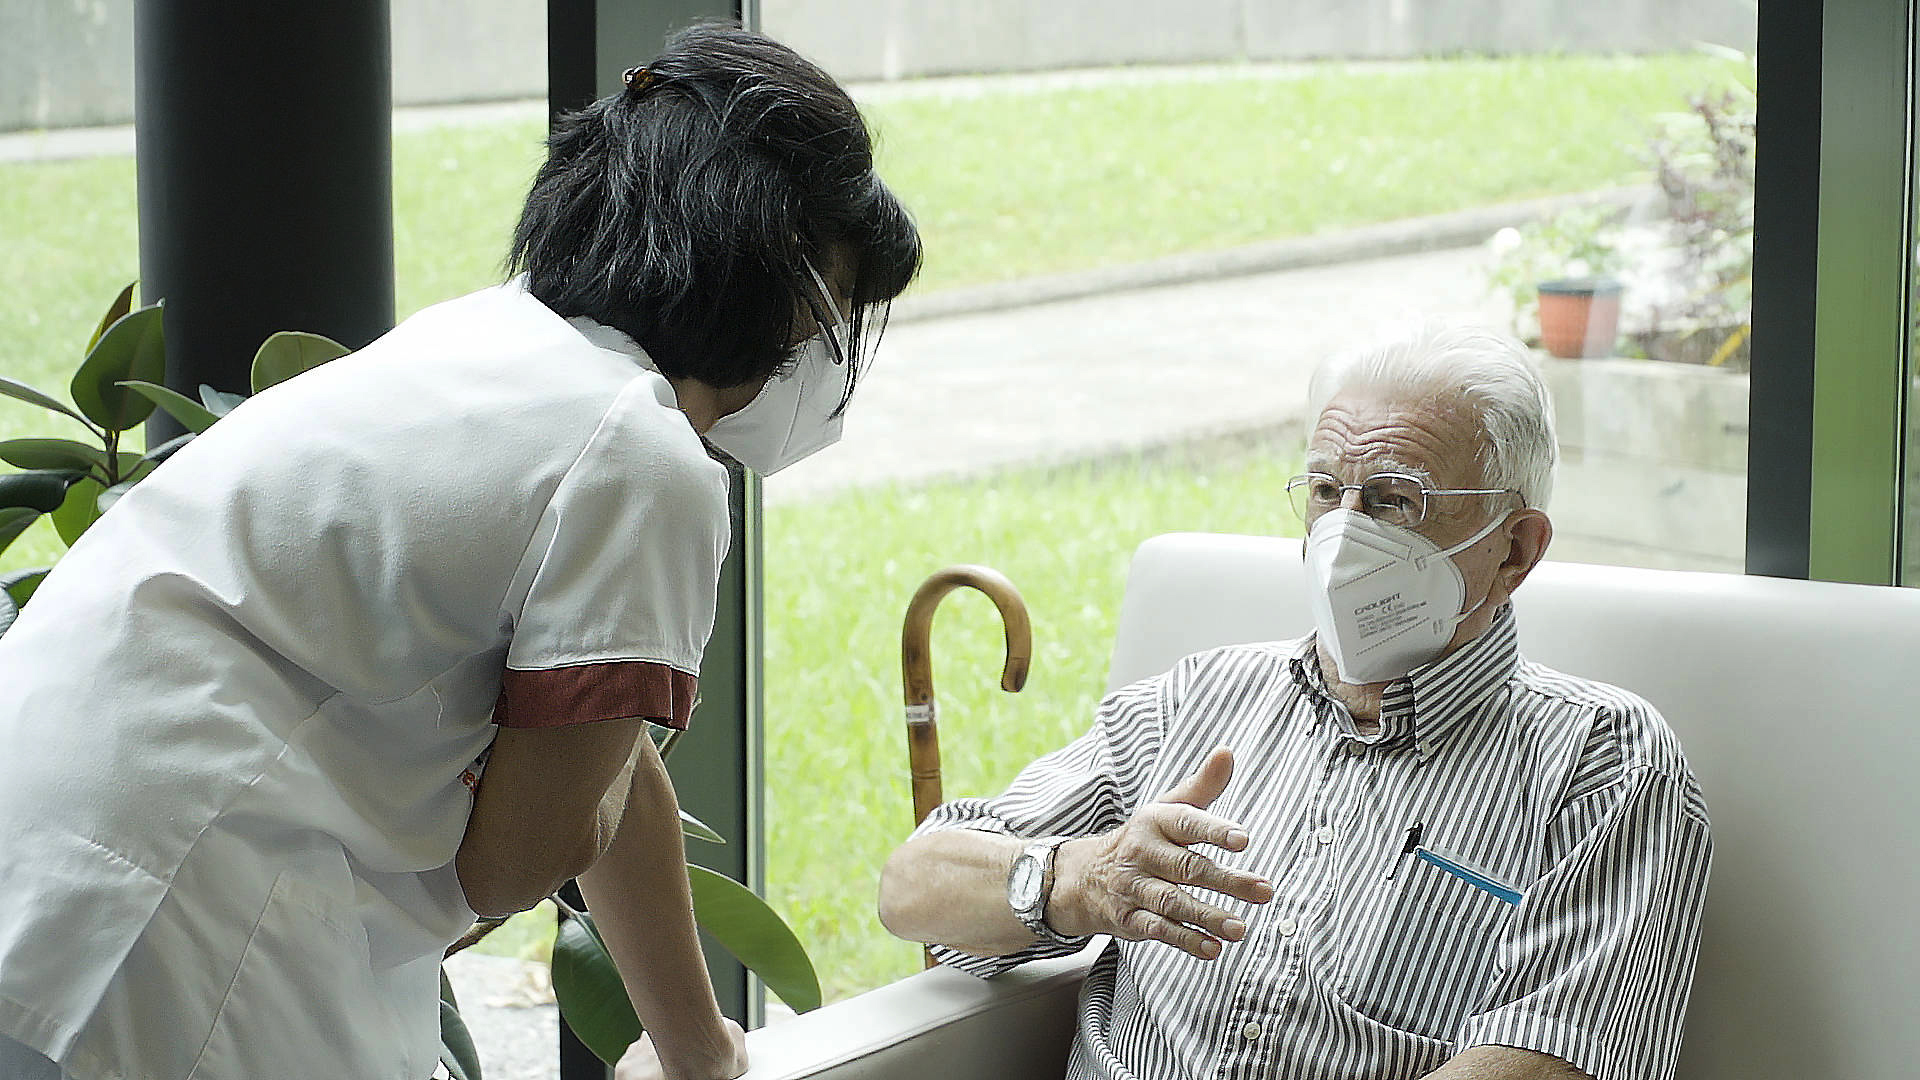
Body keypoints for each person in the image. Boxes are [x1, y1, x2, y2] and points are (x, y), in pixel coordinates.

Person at [0, 24, 918, 1080]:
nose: (822, 349)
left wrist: (697, 1048)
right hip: (176, 917)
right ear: (786, 282)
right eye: (838, 311)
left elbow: (613, 777)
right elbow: (519, 859)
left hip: (49, 848)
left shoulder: (490, 345)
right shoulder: (640, 455)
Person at [878, 322, 1711, 1080]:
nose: (1344, 533)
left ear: (1515, 550)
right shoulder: (1201, 697)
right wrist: (1079, 878)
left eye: (1395, 500)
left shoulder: (1603, 762)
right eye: (1323, 490)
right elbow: (913, 888)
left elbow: (1550, 1061)